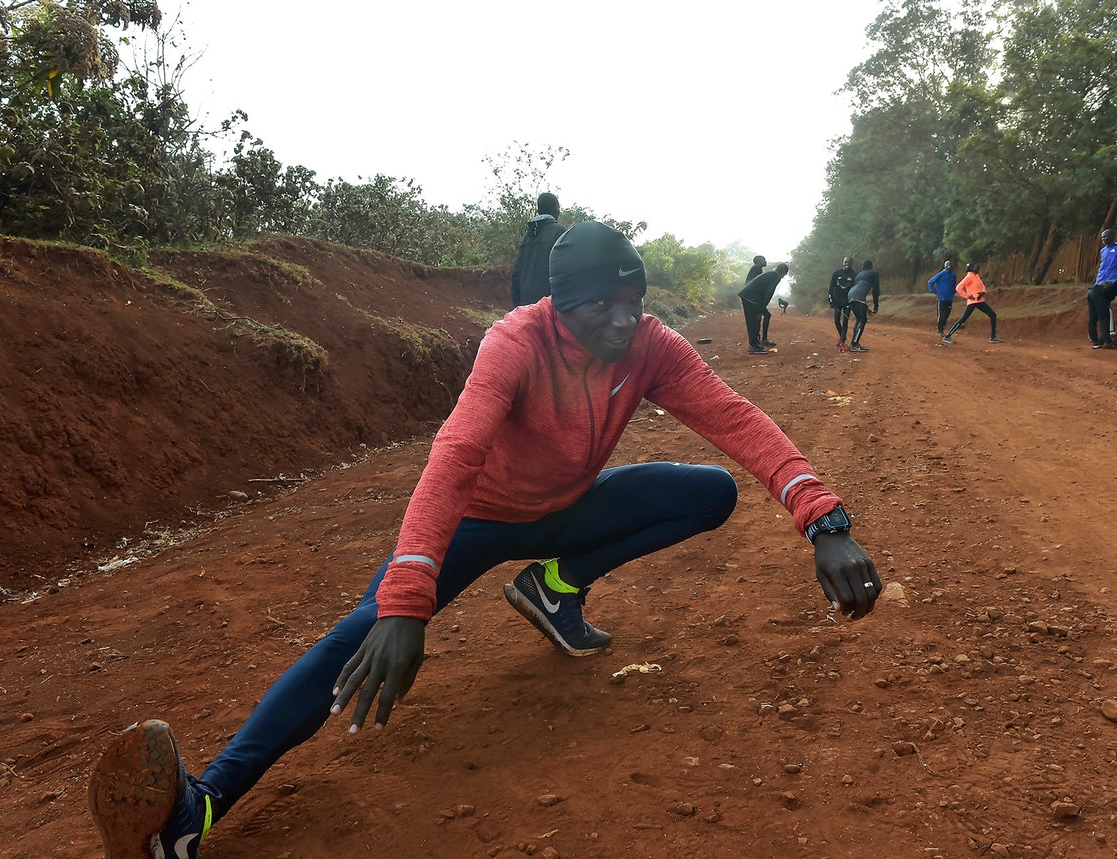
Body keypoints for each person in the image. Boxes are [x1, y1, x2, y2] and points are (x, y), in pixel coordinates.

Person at [87, 221, 881, 859]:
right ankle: (203, 807)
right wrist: (407, 599)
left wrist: (824, 519)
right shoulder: (514, 341)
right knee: (361, 637)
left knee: (708, 491)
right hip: (482, 518)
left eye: (632, 297)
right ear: (559, 305)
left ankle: (555, 585)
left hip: (569, 509)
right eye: (601, 304)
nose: (622, 317)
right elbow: (456, 453)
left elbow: (735, 418)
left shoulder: (649, 345)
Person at [509, 192, 565, 307]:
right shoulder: (559, 232)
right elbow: (565, 272)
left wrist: (518, 307)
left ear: (539, 211)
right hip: (549, 307)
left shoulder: (526, 237)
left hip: (527, 306)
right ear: (556, 210)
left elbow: (516, 274)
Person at [941, 261, 1003, 344]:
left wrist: (983, 292)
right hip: (973, 301)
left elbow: (982, 286)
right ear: (971, 268)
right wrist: (967, 296)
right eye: (975, 267)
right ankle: (947, 336)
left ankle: (993, 337)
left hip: (980, 300)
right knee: (963, 319)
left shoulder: (976, 276)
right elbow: (958, 288)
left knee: (993, 315)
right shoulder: (969, 277)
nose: (977, 268)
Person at [738, 262, 789, 353]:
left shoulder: (772, 274)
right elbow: (769, 293)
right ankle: (754, 346)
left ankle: (763, 340)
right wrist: (760, 310)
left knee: (766, 316)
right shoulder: (776, 276)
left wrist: (761, 309)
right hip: (750, 298)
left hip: (751, 297)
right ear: (784, 272)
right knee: (753, 321)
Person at [1095, 228, 1117, 346]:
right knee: (1102, 306)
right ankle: (1106, 334)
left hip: (1113, 280)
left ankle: (1110, 333)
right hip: (1100, 280)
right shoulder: (1102, 251)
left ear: (1112, 236)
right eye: (1102, 238)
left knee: (1105, 305)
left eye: (1105, 237)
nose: (1103, 239)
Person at [845, 259, 879, 352]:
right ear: (871, 266)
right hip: (858, 296)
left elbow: (856, 288)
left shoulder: (858, 274)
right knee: (862, 320)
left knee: (859, 319)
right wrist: (876, 306)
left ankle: (854, 342)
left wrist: (866, 307)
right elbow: (876, 291)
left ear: (863, 267)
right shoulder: (874, 273)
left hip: (850, 295)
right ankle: (854, 344)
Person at [827, 256, 856, 352]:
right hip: (837, 301)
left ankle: (843, 342)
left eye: (849, 262)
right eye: (845, 262)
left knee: (845, 321)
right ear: (843, 262)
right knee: (836, 320)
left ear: (852, 264)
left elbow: (855, 289)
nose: (847, 264)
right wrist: (831, 300)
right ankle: (842, 337)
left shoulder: (854, 275)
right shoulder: (836, 273)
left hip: (847, 301)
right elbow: (831, 288)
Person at [927, 260, 958, 339]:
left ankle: (942, 328)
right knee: (942, 315)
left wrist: (953, 292)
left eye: (950, 265)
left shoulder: (953, 275)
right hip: (941, 298)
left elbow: (954, 285)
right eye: (947, 265)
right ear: (945, 266)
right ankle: (940, 330)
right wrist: (935, 292)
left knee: (947, 314)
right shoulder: (941, 274)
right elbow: (930, 282)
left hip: (949, 298)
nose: (949, 266)